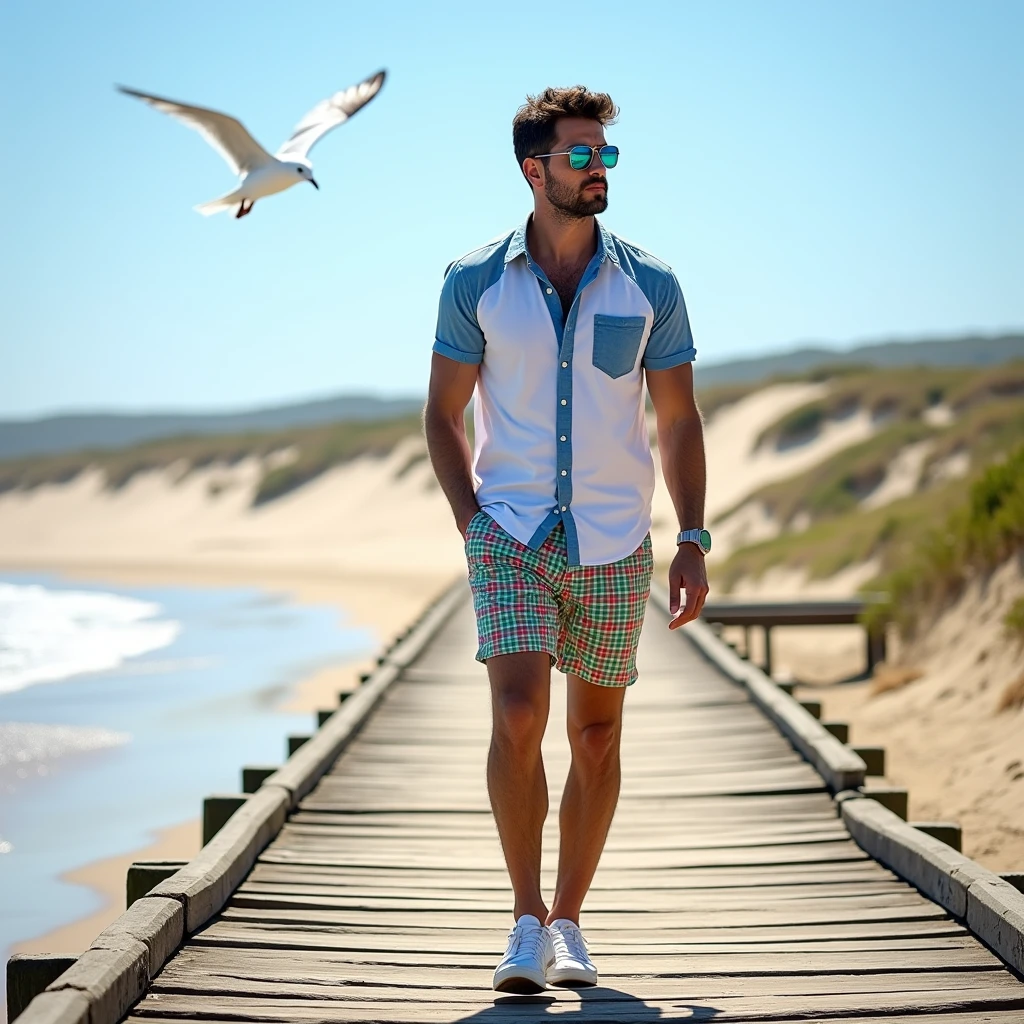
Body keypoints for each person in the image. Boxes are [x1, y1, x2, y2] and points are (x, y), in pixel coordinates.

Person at [424, 85, 709, 994]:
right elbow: (442, 414)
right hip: (509, 532)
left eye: (605, 155)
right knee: (517, 716)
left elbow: (678, 421)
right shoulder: (473, 282)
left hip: (616, 539)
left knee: (593, 736)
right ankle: (522, 921)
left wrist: (693, 537)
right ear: (533, 168)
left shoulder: (651, 286)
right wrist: (473, 526)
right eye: (581, 154)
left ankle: (572, 921)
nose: (598, 169)